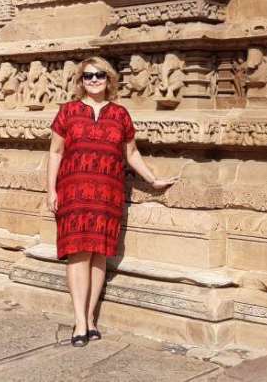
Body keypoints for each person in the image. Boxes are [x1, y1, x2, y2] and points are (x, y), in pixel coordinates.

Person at [47, 56, 177, 347]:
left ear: (109, 80)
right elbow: (55, 152)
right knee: (78, 253)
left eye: (100, 75)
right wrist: (50, 190)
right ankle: (80, 321)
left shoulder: (120, 114)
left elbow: (131, 153)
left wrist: (152, 179)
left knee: (98, 255)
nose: (94, 80)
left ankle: (90, 318)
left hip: (107, 193)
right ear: (81, 81)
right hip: (73, 192)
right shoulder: (68, 112)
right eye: (88, 76)